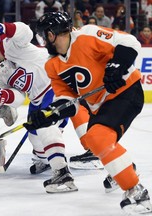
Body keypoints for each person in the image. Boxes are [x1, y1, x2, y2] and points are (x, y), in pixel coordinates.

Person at [31, 11, 151, 214]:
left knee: (97, 138)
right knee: (94, 142)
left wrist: (116, 66)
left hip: (125, 92)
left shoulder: (87, 35)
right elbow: (68, 101)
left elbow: (130, 42)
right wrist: (50, 113)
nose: (43, 40)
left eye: (44, 35)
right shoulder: (52, 65)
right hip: (100, 105)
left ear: (51, 34)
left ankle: (138, 193)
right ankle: (124, 168)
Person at [0, 20, 96, 193]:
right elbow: (18, 97)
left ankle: (62, 171)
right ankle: (46, 159)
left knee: (46, 128)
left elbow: (26, 32)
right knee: (35, 138)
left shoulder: (10, 44)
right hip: (37, 99)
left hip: (53, 83)